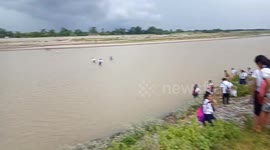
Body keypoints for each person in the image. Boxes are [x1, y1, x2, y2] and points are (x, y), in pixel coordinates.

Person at [254, 55, 270, 131]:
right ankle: (265, 127)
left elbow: (268, 82)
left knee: (263, 110)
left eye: (257, 64)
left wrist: (265, 95)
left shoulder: (264, 70)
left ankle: (258, 128)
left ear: (260, 63)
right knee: (267, 110)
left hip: (268, 93)